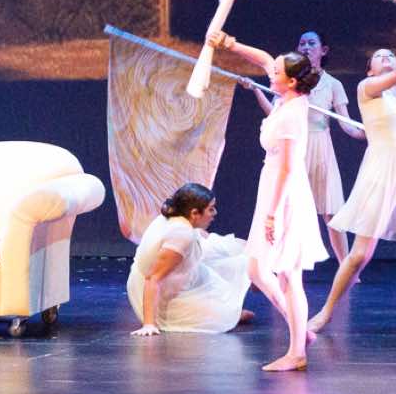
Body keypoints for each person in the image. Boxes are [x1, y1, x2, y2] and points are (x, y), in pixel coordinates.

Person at [310, 10, 396, 333]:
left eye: (390, 55)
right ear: (370, 69)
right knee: (360, 254)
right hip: (382, 167)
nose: (387, 58)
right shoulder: (368, 88)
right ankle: (326, 312)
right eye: (379, 57)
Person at [208, 30, 327, 371]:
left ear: (291, 82)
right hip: (271, 185)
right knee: (256, 268)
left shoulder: (291, 114)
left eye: (277, 72)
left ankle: (297, 352)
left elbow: (288, 168)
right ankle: (300, 330)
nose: (270, 72)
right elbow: (263, 59)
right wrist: (230, 44)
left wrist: (273, 214)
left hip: (284, 194)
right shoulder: (284, 97)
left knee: (288, 275)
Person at [253, 29, 362, 264]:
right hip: (294, 146)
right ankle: (280, 261)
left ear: (323, 50)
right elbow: (275, 114)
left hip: (320, 147)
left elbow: (347, 124)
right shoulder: (289, 81)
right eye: (302, 43)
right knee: (288, 205)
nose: (305, 47)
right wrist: (256, 91)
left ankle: (346, 267)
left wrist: (367, 133)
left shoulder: (333, 84)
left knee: (331, 210)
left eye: (312, 43)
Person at [127, 183, 255, 335]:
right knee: (224, 314)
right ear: (194, 213)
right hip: (157, 293)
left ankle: (229, 312)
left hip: (179, 276)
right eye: (210, 209)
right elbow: (153, 278)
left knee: (233, 256)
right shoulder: (181, 236)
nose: (215, 213)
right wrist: (149, 324)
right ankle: (227, 314)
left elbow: (203, 237)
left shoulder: (176, 217)